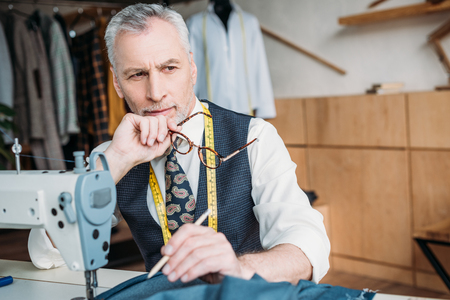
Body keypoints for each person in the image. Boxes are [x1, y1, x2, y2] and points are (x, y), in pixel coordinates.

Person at [28, 3, 330, 285]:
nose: (156, 92)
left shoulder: (255, 137)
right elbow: (44, 254)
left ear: (192, 68)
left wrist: (241, 270)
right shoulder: (107, 159)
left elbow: (309, 243)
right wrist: (116, 162)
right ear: (117, 83)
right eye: (138, 74)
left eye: (169, 68)